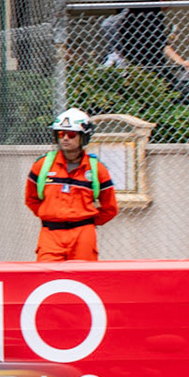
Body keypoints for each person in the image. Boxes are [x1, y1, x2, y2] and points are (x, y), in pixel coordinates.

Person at [25, 108, 118, 262]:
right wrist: (51, 213)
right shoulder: (42, 166)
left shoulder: (97, 169)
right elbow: (31, 199)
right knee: (46, 276)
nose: (65, 138)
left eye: (71, 134)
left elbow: (110, 208)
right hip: (50, 234)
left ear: (84, 137)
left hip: (83, 235)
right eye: (61, 134)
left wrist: (85, 220)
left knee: (84, 277)